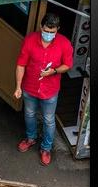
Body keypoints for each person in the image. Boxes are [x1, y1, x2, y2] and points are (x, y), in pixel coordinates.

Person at [14, 12, 74, 166]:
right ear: (41, 27)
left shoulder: (64, 44)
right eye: (46, 31)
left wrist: (53, 71)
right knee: (29, 114)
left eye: (52, 32)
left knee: (48, 120)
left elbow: (67, 65)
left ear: (57, 30)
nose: (48, 34)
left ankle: (46, 148)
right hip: (30, 87)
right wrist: (18, 86)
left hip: (50, 90)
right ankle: (31, 138)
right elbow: (21, 64)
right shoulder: (30, 40)